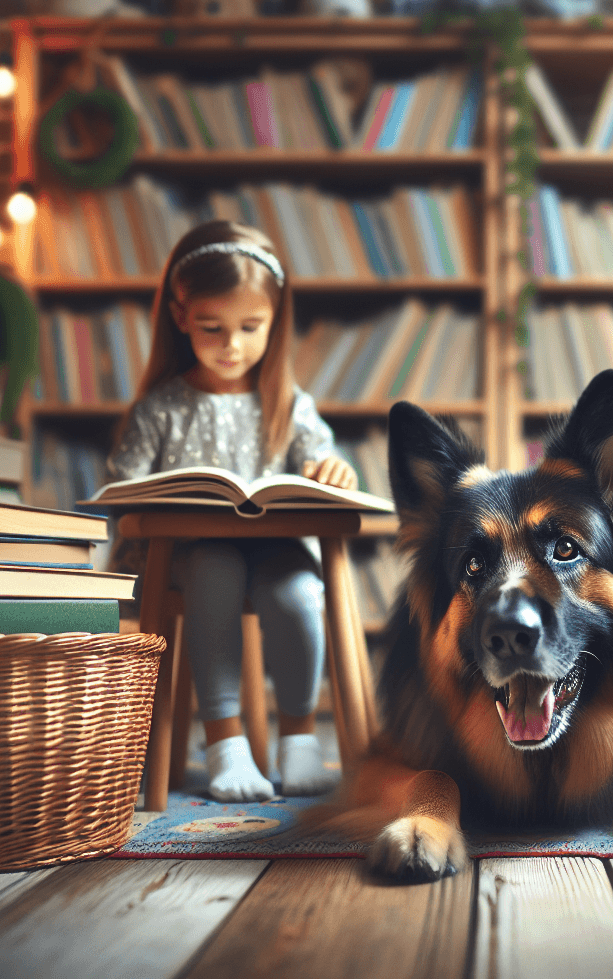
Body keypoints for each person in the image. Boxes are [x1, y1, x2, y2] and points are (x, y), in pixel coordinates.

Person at [108, 220, 357, 802]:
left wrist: (333, 469)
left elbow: (323, 460)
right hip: (188, 559)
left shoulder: (290, 405)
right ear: (179, 316)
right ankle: (224, 743)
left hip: (275, 551)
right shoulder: (161, 409)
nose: (232, 345)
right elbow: (122, 489)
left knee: (298, 592)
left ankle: (299, 738)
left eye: (251, 327)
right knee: (215, 570)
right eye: (211, 328)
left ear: (276, 320)